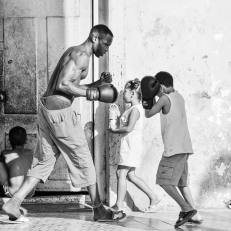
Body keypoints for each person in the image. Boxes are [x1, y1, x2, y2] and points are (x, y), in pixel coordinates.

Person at [2, 24, 125, 222]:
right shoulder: (82, 55)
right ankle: (99, 208)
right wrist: (91, 93)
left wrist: (97, 84)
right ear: (94, 38)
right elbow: (62, 84)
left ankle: (14, 202)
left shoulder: (74, 52)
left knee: (45, 161)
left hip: (47, 109)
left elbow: (71, 84)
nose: (106, 49)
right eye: (105, 44)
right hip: (61, 112)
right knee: (84, 158)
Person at [142, 71, 203, 228]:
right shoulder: (179, 97)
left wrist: (147, 96)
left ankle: (186, 209)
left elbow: (149, 113)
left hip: (173, 149)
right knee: (182, 183)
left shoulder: (164, 98)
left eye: (157, 89)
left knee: (164, 181)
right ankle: (195, 215)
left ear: (161, 87)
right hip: (184, 147)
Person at [108, 78, 160, 212]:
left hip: (130, 147)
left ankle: (119, 204)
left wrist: (114, 130)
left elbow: (128, 128)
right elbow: (125, 125)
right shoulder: (131, 109)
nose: (122, 94)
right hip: (129, 146)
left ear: (132, 94)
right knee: (130, 176)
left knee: (121, 173)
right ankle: (153, 196)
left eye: (125, 91)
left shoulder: (135, 109)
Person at [0, 126, 35, 199]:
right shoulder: (30, 153)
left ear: (9, 141)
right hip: (30, 193)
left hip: (12, 193)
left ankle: (6, 185)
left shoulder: (5, 153)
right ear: (26, 140)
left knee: (1, 161)